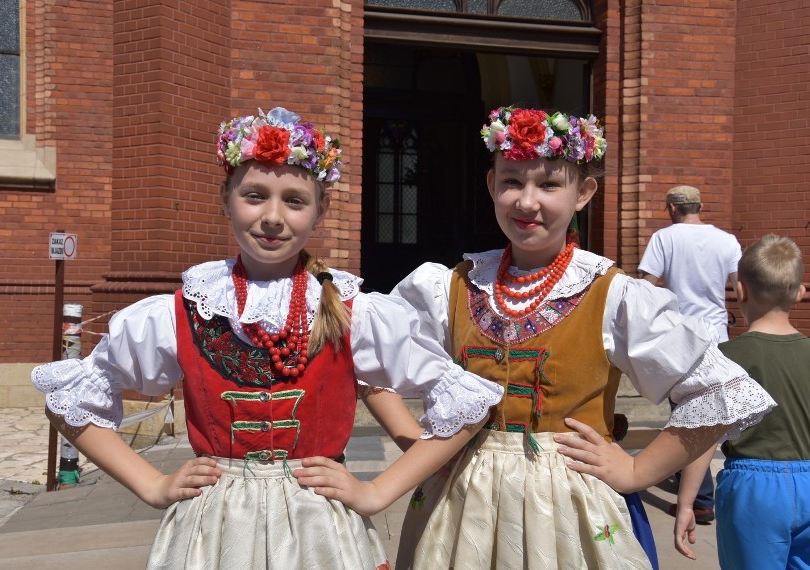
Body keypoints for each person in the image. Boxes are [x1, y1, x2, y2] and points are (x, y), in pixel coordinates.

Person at [300, 105, 776, 569]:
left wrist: (636, 471)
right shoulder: (452, 285)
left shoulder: (612, 295)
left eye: (549, 183)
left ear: (583, 193)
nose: (527, 201)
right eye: (511, 181)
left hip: (568, 505)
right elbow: (363, 358)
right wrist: (413, 442)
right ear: (491, 186)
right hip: (460, 502)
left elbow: (718, 390)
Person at [31, 106, 504, 570]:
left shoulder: (351, 310)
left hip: (320, 529)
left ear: (320, 211)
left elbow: (465, 402)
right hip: (216, 529)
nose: (273, 217)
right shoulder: (181, 311)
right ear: (225, 199)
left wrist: (377, 491)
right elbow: (70, 400)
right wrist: (151, 485)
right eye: (255, 195)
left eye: (294, 201)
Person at [674, 234, 809, 568]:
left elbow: (703, 435)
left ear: (740, 291)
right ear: (801, 292)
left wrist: (687, 502)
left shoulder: (724, 358)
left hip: (753, 486)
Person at [638, 184, 742, 524]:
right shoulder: (727, 240)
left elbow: (645, 285)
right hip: (718, 336)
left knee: (685, 417)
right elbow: (741, 290)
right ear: (699, 206)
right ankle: (713, 489)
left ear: (671, 207)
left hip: (681, 339)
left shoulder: (665, 238)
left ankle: (700, 498)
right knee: (719, 411)